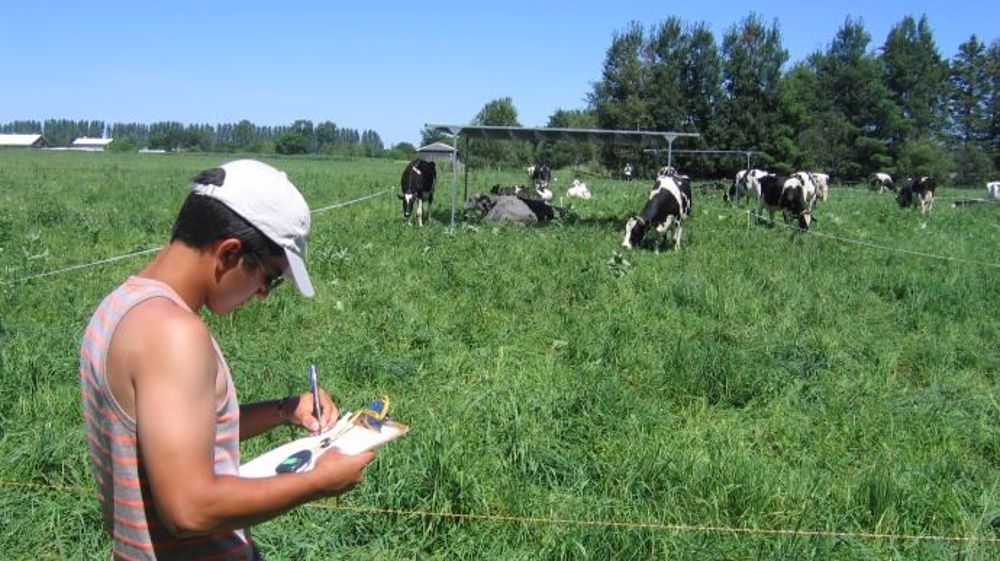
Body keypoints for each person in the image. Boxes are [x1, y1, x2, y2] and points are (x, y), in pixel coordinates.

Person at [79, 159, 375, 560]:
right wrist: (318, 482)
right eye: (269, 277)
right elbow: (190, 509)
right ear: (230, 253)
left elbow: (175, 437)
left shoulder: (123, 307)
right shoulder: (174, 335)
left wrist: (285, 409)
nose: (263, 294)